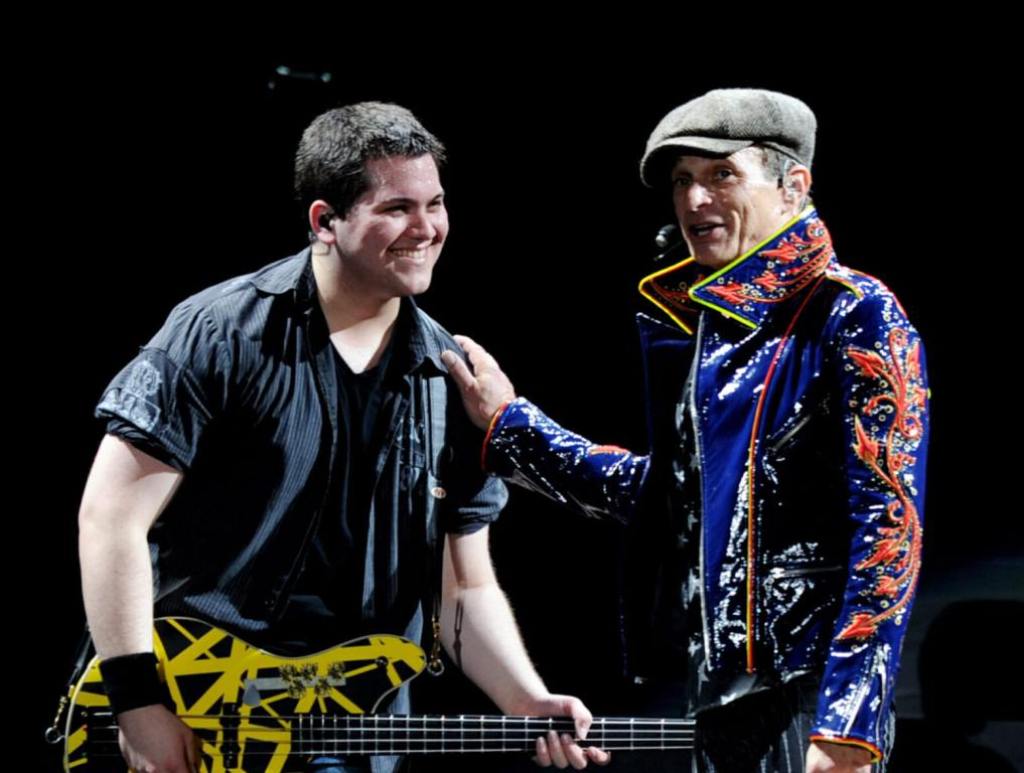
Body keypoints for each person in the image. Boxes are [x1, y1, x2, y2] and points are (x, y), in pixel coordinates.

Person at [78, 101, 608, 773]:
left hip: (355, 738)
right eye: (397, 209)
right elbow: (109, 519)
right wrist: (138, 705)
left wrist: (526, 697)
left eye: (435, 204)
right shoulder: (219, 332)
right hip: (200, 713)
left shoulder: (451, 375)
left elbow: (464, 585)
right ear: (325, 221)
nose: (426, 229)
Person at [442, 89, 928, 773]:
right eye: (682, 181)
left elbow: (889, 527)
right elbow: (669, 495)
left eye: (720, 174)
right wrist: (510, 422)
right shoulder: (708, 332)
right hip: (719, 696)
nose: (694, 200)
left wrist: (847, 722)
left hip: (807, 697)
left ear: (794, 185)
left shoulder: (853, 313)